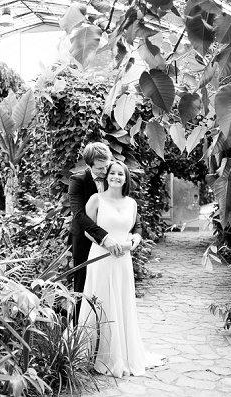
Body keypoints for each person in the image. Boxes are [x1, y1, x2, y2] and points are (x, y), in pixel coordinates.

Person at [77, 160, 165, 376]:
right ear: (107, 177)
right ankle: (94, 353)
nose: (116, 177)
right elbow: (87, 229)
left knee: (122, 302)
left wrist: (131, 243)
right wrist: (106, 243)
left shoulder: (131, 203)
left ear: (126, 178)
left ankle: (122, 354)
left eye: (120, 174)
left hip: (123, 259)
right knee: (101, 301)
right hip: (100, 257)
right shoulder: (96, 199)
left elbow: (137, 228)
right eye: (112, 173)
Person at [67, 142, 125, 322]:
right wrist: (104, 237)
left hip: (111, 245)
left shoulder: (113, 176)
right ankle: (76, 336)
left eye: (107, 166)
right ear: (89, 165)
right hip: (83, 243)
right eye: (100, 168)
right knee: (82, 288)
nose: (105, 171)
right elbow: (79, 216)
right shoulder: (78, 181)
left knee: (108, 289)